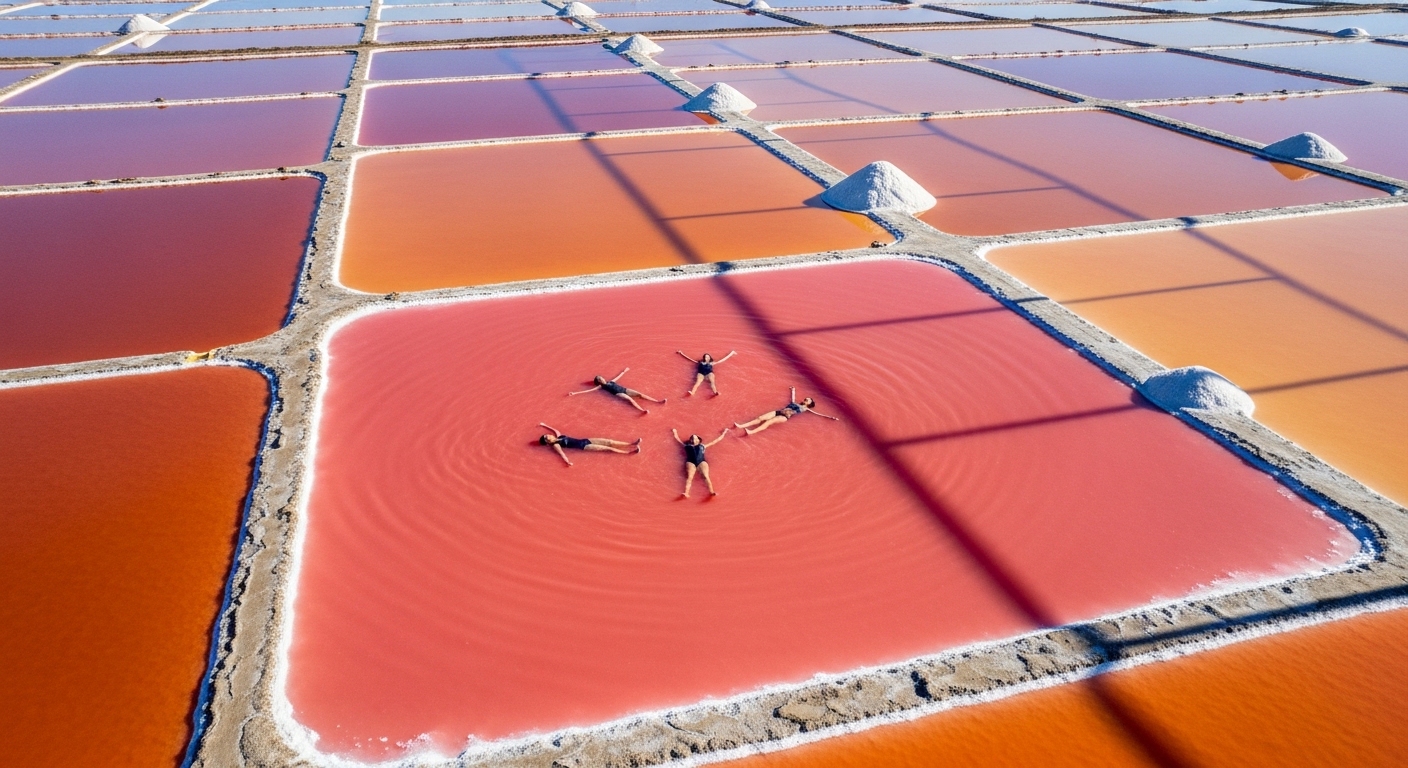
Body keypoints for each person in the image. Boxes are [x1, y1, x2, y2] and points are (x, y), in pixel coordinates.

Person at [734, 387, 839, 435]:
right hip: (779, 411)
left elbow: (818, 414)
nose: (806, 399)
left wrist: (830, 417)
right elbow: (792, 399)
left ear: (809, 404)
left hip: (785, 417)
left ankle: (751, 432)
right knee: (760, 418)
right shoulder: (796, 403)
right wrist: (793, 390)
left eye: (808, 399)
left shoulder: (805, 409)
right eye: (806, 398)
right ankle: (742, 425)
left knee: (768, 422)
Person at [568, 368, 666, 413]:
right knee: (630, 400)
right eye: (599, 379)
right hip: (618, 393)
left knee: (639, 394)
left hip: (624, 389)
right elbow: (589, 391)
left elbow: (617, 377)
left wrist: (624, 371)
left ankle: (657, 401)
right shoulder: (600, 387)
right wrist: (575, 393)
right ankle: (642, 410)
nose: (601, 378)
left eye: (601, 377)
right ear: (598, 382)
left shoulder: (610, 381)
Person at [538, 423, 640, 466]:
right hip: (584, 446)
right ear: (547, 442)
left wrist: (545, 425)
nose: (549, 436)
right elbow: (561, 454)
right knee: (607, 448)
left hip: (586, 440)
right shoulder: (556, 445)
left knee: (609, 441)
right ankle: (628, 452)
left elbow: (555, 430)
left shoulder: (559, 436)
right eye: (547, 437)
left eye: (547, 435)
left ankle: (631, 443)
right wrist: (567, 462)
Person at [672, 428, 729, 497]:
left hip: (701, 462)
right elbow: (678, 440)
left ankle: (711, 491)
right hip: (690, 462)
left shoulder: (703, 446)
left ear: (699, 440)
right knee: (689, 477)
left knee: (706, 476)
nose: (694, 439)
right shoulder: (686, 446)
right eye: (692, 438)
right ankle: (686, 493)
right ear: (690, 440)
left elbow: (715, 441)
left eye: (695, 438)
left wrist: (724, 433)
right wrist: (675, 432)